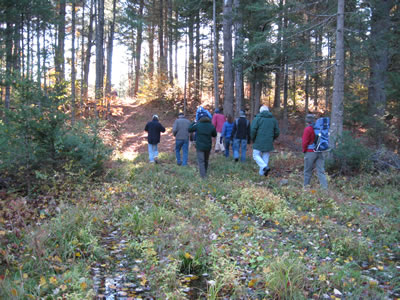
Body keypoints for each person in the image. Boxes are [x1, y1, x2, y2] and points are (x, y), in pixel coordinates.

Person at [250, 105, 280, 176]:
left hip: (258, 140)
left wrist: (252, 138)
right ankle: (262, 174)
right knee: (265, 156)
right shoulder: (273, 119)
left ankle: (264, 167)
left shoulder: (258, 118)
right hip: (269, 141)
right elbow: (277, 132)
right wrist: (272, 138)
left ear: (260, 111)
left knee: (255, 155)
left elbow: (253, 130)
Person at [302, 114, 328, 189]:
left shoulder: (308, 129)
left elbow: (305, 142)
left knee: (307, 171)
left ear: (307, 120)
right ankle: (325, 189)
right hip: (320, 151)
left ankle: (306, 188)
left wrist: (304, 151)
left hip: (310, 152)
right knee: (321, 171)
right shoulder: (319, 128)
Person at [188, 112, 217, 178]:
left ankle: (203, 176)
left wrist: (194, 122)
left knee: (201, 161)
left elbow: (189, 129)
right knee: (206, 160)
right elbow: (214, 134)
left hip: (200, 146)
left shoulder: (198, 124)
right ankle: (205, 172)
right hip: (208, 146)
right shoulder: (211, 126)